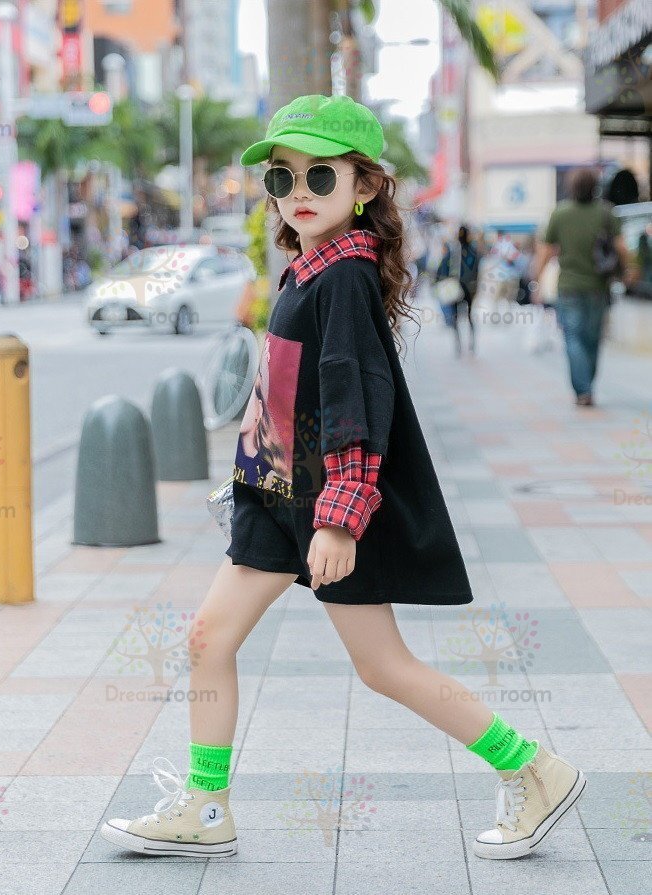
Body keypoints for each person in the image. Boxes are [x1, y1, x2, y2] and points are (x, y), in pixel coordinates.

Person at [101, 93, 586, 862]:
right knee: (208, 637)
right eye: (282, 177)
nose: (298, 191)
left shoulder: (344, 277)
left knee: (382, 666)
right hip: (274, 498)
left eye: (319, 176)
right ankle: (205, 804)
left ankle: (532, 766)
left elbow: (356, 398)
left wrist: (339, 516)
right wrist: (249, 483)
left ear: (362, 185)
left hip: (321, 504)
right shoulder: (307, 270)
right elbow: (288, 394)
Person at [532, 167, 631, 407]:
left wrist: (537, 282)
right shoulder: (606, 212)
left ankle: (583, 390)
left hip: (568, 287)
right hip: (599, 286)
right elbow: (621, 248)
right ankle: (587, 385)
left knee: (573, 338)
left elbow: (545, 252)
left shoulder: (560, 213)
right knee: (593, 339)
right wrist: (629, 271)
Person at [436, 224, 480, 355]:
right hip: (468, 288)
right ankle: (470, 345)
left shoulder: (453, 251)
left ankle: (459, 345)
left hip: (456, 288)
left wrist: (442, 280)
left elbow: (442, 269)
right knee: (469, 317)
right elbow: (476, 270)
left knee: (456, 317)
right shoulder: (473, 251)